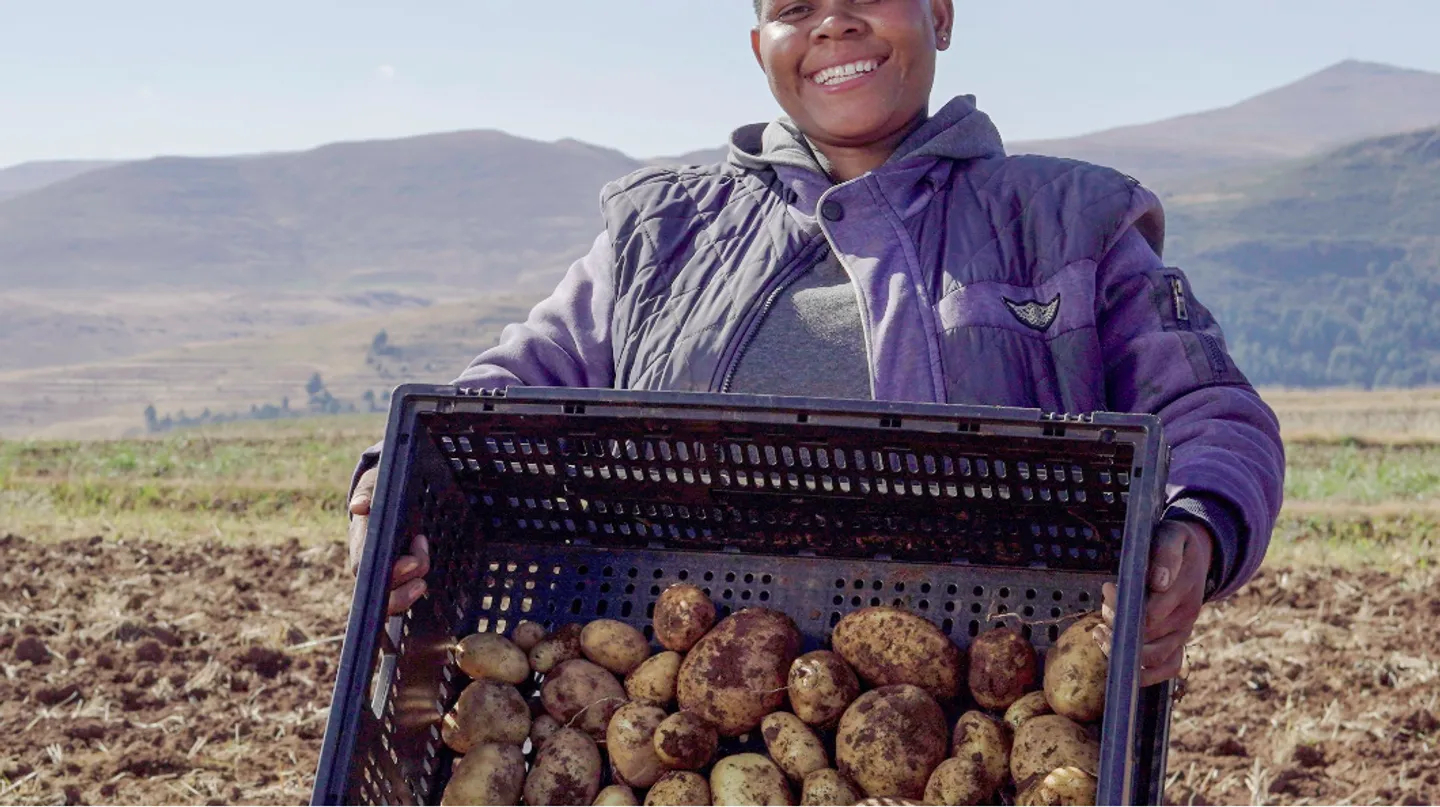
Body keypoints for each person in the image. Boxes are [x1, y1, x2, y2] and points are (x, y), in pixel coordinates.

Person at [347, 0, 1284, 687]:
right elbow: (506, 386)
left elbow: (1209, 410)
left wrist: (1196, 523)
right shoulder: (661, 232)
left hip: (992, 696)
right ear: (762, 47)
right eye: (795, 9)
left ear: (941, 14)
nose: (833, 24)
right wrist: (392, 482)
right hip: (680, 694)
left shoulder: (1067, 219)